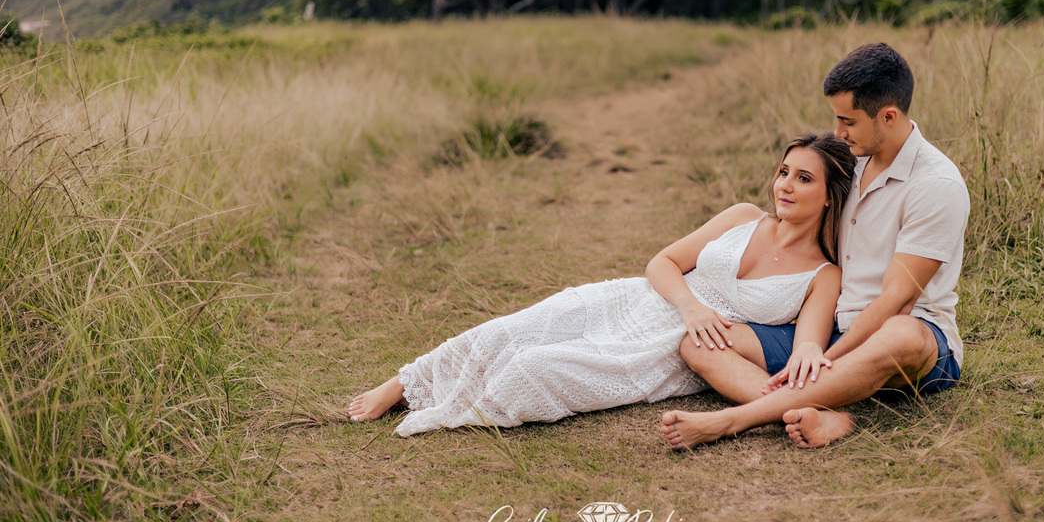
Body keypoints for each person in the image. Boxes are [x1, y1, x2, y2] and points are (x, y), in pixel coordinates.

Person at [347, 132, 855, 436]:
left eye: (804, 179)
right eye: (784, 172)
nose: (785, 185)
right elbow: (664, 261)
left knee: (534, 368)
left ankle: (461, 406)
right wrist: (690, 308)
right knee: (520, 328)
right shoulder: (743, 216)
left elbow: (808, 341)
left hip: (667, 350)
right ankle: (405, 383)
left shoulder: (822, 273)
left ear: (831, 196)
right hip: (648, 298)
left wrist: (814, 363)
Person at [662, 43, 969, 450]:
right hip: (828, 327)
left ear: (889, 116)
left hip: (910, 337)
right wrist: (808, 345)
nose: (838, 133)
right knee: (701, 344)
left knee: (901, 336)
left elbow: (897, 300)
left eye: (848, 121)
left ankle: (733, 421)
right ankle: (829, 414)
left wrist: (826, 359)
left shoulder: (935, 186)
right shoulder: (850, 161)